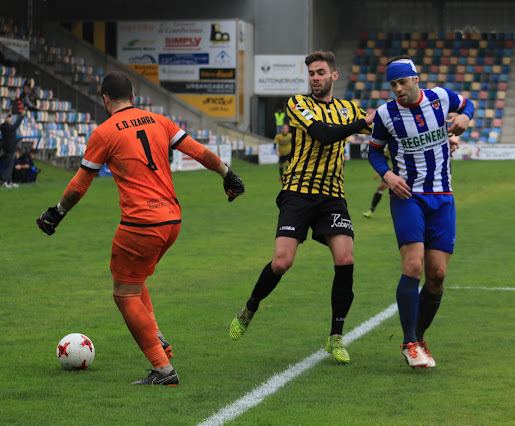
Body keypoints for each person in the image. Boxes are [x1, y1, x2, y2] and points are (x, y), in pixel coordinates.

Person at [36, 71, 245, 386]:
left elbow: (80, 183)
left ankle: (163, 370)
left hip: (140, 223)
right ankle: (157, 336)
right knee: (132, 278)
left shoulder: (104, 132)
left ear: (105, 100)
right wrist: (228, 175)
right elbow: (198, 152)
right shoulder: (159, 121)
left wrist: (57, 213)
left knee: (124, 294)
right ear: (133, 96)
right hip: (171, 221)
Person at [229, 50, 374, 364]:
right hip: (297, 192)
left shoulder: (348, 109)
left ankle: (336, 336)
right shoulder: (298, 104)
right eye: (311, 73)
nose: (315, 78)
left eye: (321, 72)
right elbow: (321, 135)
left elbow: (384, 130)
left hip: (333, 194)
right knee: (282, 262)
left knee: (345, 258)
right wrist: (362, 121)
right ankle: (250, 308)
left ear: (334, 76)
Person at [368, 56, 474, 369]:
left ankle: (419, 336)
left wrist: (464, 120)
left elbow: (468, 104)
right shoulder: (386, 114)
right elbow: (373, 151)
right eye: (392, 85)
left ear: (416, 79)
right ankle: (409, 343)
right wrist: (388, 175)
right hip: (407, 196)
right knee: (413, 266)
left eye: (402, 82)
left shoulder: (441, 98)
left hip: (442, 197)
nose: (398, 89)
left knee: (437, 275)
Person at [1, 113, 25, 188]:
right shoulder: (7, 127)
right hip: (9, 148)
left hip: (9, 148)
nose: (12, 121)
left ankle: (9, 180)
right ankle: (5, 181)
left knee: (10, 165)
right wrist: (21, 116)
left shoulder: (5, 127)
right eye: (10, 119)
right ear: (7, 120)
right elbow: (16, 125)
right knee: (9, 166)